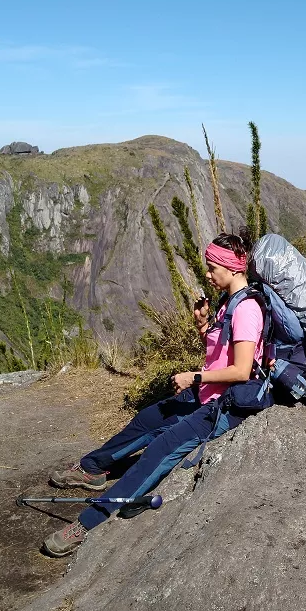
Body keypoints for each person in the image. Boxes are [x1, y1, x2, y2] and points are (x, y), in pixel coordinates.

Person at [42, 231, 266, 557]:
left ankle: (86, 523)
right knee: (147, 419)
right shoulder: (226, 303)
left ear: (233, 268)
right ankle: (92, 468)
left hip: (225, 404)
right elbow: (218, 352)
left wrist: (195, 376)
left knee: (160, 449)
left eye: (212, 266)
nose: (207, 273)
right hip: (205, 392)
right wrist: (203, 325)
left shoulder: (247, 310)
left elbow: (242, 371)